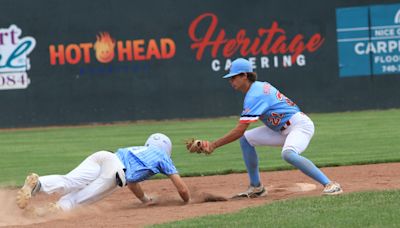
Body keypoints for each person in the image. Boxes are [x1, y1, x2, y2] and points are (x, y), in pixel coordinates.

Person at [187, 58, 342, 198]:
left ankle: (331, 184)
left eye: (233, 77)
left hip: (298, 126)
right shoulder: (259, 87)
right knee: (246, 139)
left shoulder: (255, 95)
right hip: (281, 129)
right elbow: (243, 133)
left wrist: (213, 145)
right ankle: (256, 187)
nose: (231, 81)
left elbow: (239, 129)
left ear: (244, 76)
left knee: (288, 154)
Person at [16, 133, 190, 215]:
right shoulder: (162, 157)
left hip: (104, 156)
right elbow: (182, 190)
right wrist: (189, 200)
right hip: (115, 171)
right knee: (79, 198)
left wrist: (145, 200)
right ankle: (51, 209)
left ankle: (37, 184)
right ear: (166, 151)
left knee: (68, 181)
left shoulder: (138, 150)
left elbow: (133, 184)